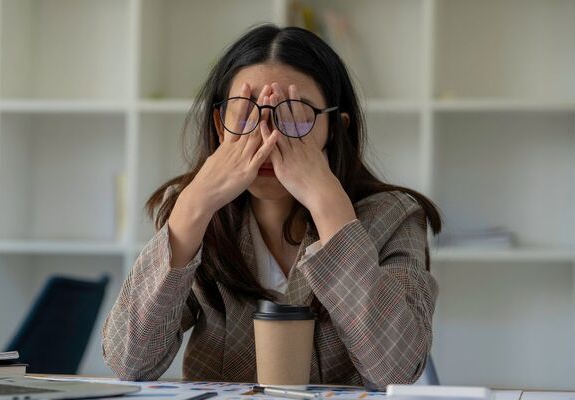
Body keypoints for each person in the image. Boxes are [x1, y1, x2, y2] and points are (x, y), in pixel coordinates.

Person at [102, 24, 441, 389]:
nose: (267, 136)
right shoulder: (195, 213)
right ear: (220, 125)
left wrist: (330, 209)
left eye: (294, 114)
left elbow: (395, 372)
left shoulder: (394, 215)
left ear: (335, 128)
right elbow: (129, 362)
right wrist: (192, 207)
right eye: (245, 112)